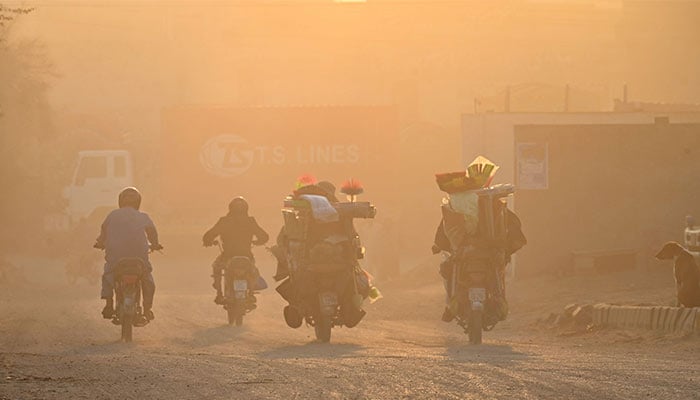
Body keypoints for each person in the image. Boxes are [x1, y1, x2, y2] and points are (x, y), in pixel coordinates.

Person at [432, 199, 526, 322]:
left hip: (469, 254)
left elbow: (445, 230)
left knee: (448, 269)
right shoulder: (495, 205)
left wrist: (438, 245)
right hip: (486, 253)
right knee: (497, 270)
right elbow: (514, 230)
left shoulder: (457, 206)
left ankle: (451, 307)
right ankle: (498, 305)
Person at [94, 187, 162, 321]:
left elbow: (103, 232)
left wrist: (100, 242)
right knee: (147, 278)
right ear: (138, 202)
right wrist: (155, 244)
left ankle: (109, 304)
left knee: (108, 274)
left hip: (116, 259)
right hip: (139, 259)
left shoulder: (112, 215)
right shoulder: (143, 216)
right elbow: (152, 232)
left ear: (120, 201)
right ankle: (147, 310)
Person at [202, 197, 269, 304]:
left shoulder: (224, 221)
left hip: (227, 256)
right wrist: (258, 242)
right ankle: (251, 294)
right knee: (253, 271)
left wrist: (208, 241)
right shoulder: (250, 221)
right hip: (247, 256)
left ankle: (219, 294)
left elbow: (209, 234)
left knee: (216, 267)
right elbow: (264, 236)